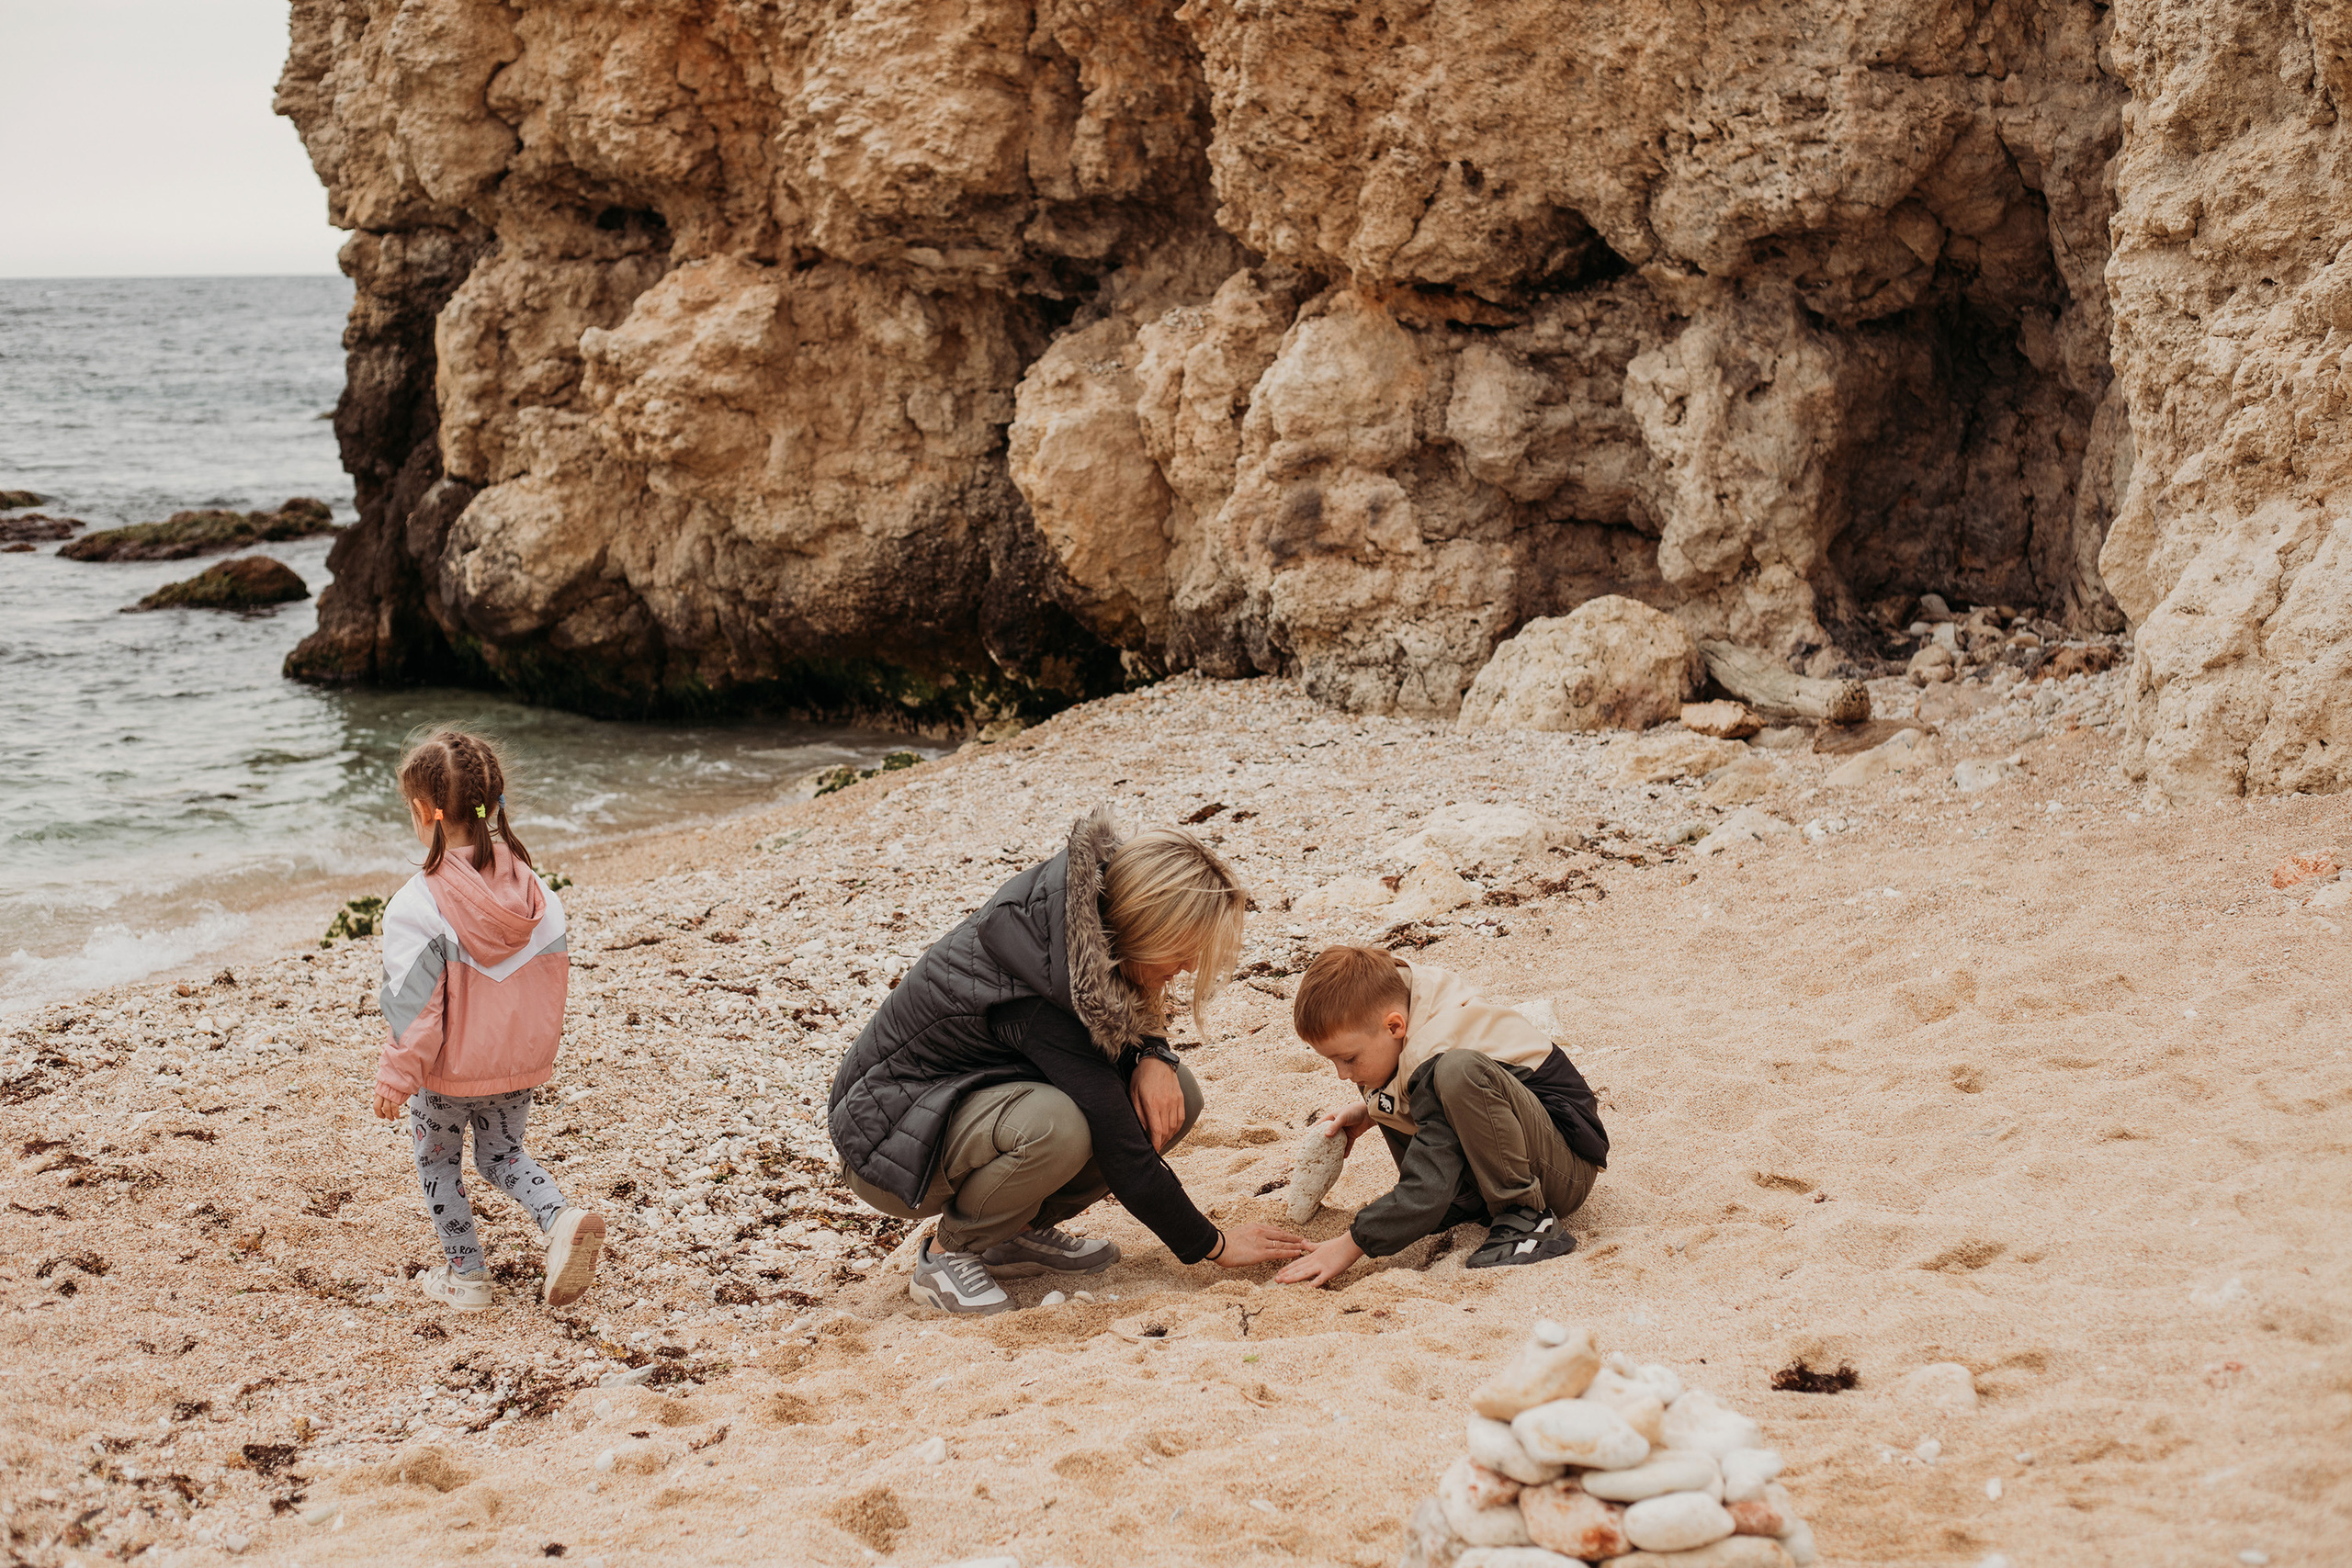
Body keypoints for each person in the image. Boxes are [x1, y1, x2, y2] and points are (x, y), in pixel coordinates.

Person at [830, 806, 1310, 1314]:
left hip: (971, 1102)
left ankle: (1010, 1233)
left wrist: (1154, 1053)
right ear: (1145, 927)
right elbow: (1118, 1140)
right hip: (896, 1143)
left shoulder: (1086, 930)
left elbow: (1120, 1019)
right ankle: (949, 1254)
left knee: (1177, 1094)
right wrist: (1213, 1244)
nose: (1190, 965)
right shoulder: (1032, 988)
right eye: (1184, 950)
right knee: (1059, 1126)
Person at [369, 728, 604, 1313]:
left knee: (439, 1163)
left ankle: (467, 1277)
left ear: (424, 811)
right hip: (518, 1065)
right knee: (502, 1156)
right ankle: (558, 1218)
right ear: (492, 800)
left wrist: (398, 1077)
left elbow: (415, 1010)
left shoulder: (416, 905)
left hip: (447, 1073)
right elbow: (550, 982)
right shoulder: (536, 894)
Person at [1273, 944, 1609, 1288]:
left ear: (1394, 1026)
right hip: (1511, 1142)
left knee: (1455, 1071)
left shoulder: (1435, 1048)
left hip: (1563, 1169)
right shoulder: (1399, 1002)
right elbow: (1420, 1090)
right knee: (1376, 1076)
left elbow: (1430, 1175)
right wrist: (1370, 1111)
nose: (1342, 1075)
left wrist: (1352, 1243)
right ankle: (1464, 1202)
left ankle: (1525, 1216)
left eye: (1348, 1059)